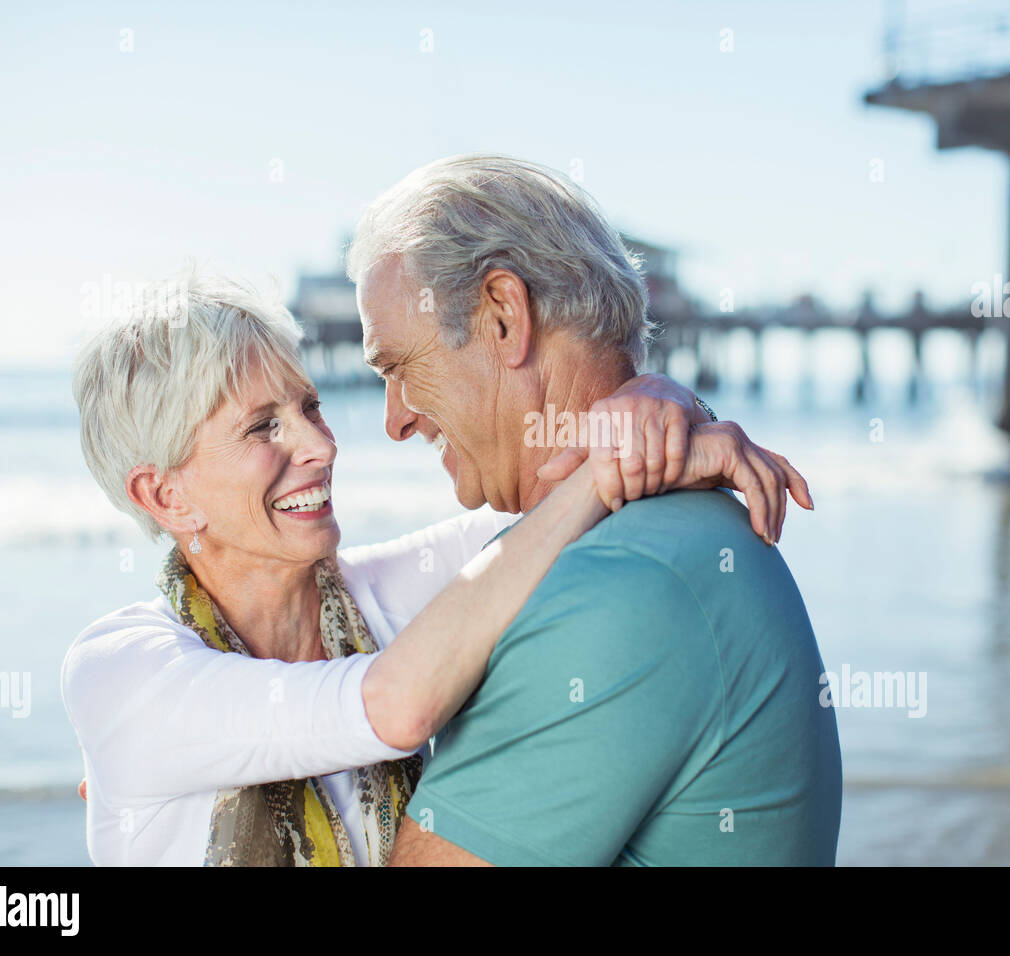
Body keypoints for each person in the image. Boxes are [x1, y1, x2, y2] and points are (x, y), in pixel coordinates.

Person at [62, 271, 807, 866]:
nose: (321, 447)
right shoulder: (119, 670)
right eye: (264, 428)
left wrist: (661, 402)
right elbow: (397, 706)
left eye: (311, 408)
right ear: (164, 495)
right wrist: (605, 471)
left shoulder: (390, 592)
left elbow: (544, 507)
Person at [345, 154, 843, 866]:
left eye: (397, 368)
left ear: (503, 315)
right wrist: (672, 406)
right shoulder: (654, 534)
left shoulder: (618, 582)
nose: (395, 420)